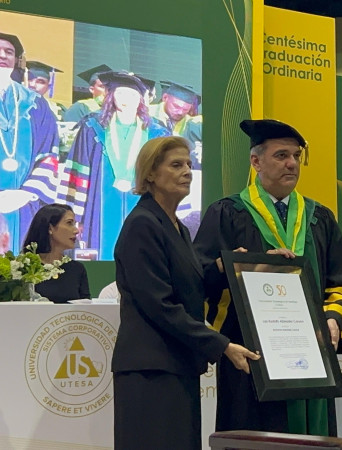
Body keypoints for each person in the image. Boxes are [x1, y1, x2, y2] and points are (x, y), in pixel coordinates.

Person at [194, 120, 342, 435]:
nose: (292, 163)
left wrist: (333, 320)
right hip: (250, 357)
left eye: (296, 156)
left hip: (311, 354)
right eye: (281, 155)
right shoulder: (227, 214)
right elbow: (197, 278)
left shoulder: (320, 218)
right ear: (255, 162)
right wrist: (238, 265)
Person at [112, 136, 259, 450]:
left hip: (176, 364)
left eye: (190, 165)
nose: (188, 172)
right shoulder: (143, 224)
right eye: (176, 165)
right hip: (151, 370)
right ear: (150, 173)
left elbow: (189, 287)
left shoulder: (177, 226)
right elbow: (159, 304)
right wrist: (221, 344)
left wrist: (222, 267)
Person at [57, 72, 169, 260]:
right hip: (99, 209)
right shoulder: (93, 128)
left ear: (141, 99)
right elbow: (77, 173)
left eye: (132, 95)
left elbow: (166, 180)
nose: (126, 100)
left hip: (142, 206)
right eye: (120, 94)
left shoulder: (157, 134)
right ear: (111, 96)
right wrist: (73, 216)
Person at [0, 32, 60, 254]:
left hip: (23, 206)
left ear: (16, 60)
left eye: (9, 52)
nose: (3, 55)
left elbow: (49, 155)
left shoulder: (34, 104)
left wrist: (26, 194)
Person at [22, 204, 90, 303]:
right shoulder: (24, 268)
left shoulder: (77, 269)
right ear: (50, 228)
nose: (76, 231)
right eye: (69, 223)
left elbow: (86, 309)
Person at [149, 81, 202, 151]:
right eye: (176, 106)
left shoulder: (191, 123)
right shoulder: (148, 113)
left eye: (185, 109)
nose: (180, 112)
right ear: (165, 98)